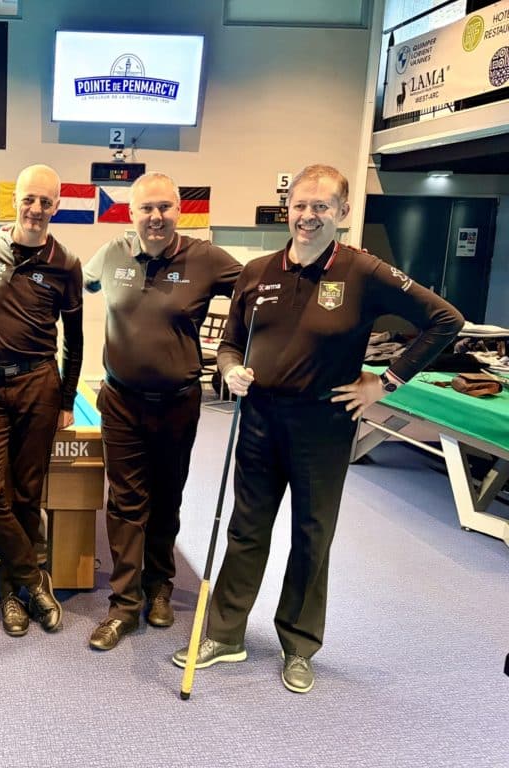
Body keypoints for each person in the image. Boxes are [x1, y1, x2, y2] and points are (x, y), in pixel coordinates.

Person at [171, 164, 464, 693]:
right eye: (300, 205)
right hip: (259, 421)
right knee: (246, 529)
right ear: (288, 209)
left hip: (324, 426)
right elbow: (232, 342)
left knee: (312, 536)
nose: (308, 216)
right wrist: (230, 369)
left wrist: (386, 382)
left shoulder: (364, 271)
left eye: (321, 206)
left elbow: (446, 320)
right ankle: (225, 635)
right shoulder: (256, 272)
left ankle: (299, 645)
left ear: (342, 212)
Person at [83, 173, 242, 651]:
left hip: (177, 403)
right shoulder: (112, 253)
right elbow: (72, 279)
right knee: (125, 502)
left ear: (179, 210)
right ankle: (124, 605)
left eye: (164, 208)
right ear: (131, 213)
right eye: (146, 209)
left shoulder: (205, 258)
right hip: (120, 401)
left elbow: (260, 289)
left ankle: (159, 585)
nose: (155, 217)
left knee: (167, 497)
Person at [0, 164, 84, 637]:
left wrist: (67, 398)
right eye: (29, 199)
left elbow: (75, 338)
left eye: (45, 201)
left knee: (28, 495)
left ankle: (12, 594)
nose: (36, 208)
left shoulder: (66, 263)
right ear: (15, 200)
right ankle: (34, 580)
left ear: (57, 206)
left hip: (38, 384)